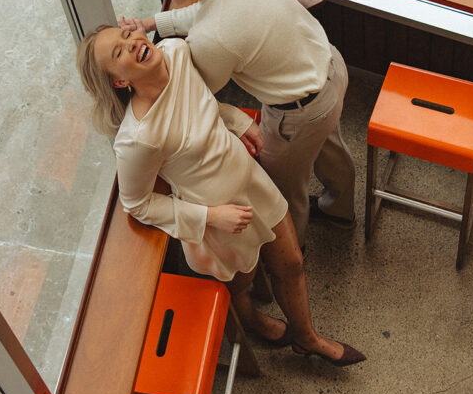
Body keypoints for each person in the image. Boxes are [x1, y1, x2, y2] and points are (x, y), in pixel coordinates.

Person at [77, 24, 365, 366]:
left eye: (126, 36)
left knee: (291, 264)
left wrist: (235, 119)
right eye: (118, 52)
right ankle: (255, 322)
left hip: (254, 185)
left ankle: (307, 338)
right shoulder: (137, 139)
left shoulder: (176, 52)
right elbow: (137, 203)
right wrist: (212, 217)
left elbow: (202, 104)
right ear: (119, 82)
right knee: (240, 286)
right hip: (218, 221)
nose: (132, 44)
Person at [119, 0, 356, 245]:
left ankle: (292, 251)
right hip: (330, 65)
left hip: (297, 114)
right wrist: (149, 23)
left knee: (285, 192)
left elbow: (197, 92)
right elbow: (210, 10)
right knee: (331, 147)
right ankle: (341, 212)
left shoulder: (214, 38)